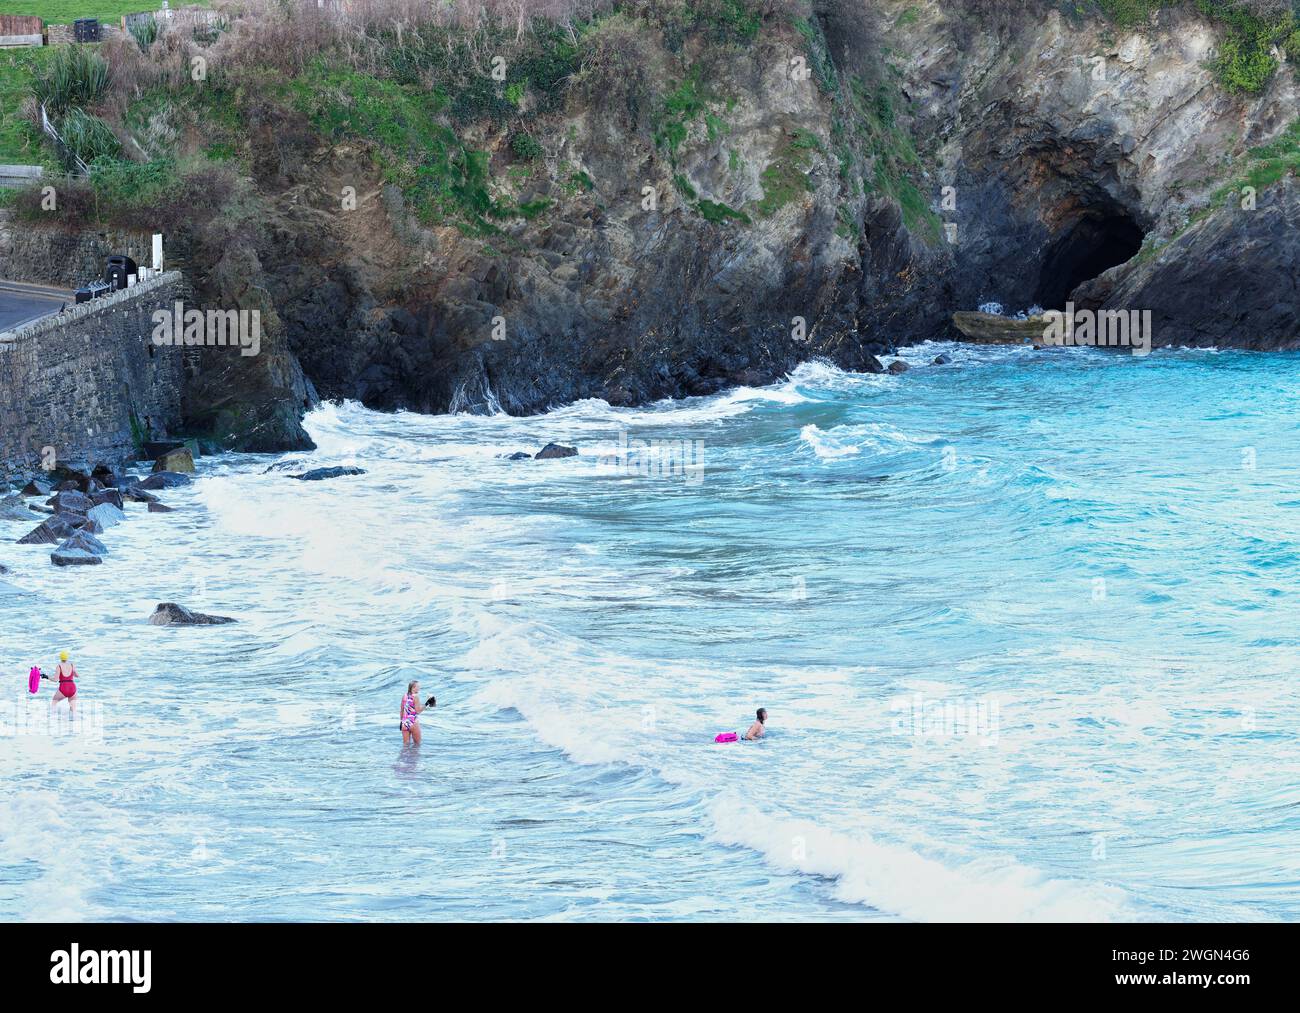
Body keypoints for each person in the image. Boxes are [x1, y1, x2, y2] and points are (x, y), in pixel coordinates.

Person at [399, 681, 435, 746]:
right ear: (413, 688)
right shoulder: (415, 696)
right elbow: (418, 711)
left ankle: (404, 756)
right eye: (418, 687)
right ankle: (414, 756)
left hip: (404, 723)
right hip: (413, 722)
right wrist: (427, 703)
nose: (419, 688)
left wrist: (401, 722)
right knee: (417, 745)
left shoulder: (404, 696)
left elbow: (401, 710)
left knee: (405, 746)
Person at [51, 651, 77, 717]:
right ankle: (72, 721)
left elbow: (55, 679)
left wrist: (46, 677)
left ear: (60, 658)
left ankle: (52, 718)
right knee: (72, 707)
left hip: (64, 687)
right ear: (67, 657)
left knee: (54, 702)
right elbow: (76, 675)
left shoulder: (59, 666)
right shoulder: (72, 665)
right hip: (72, 687)